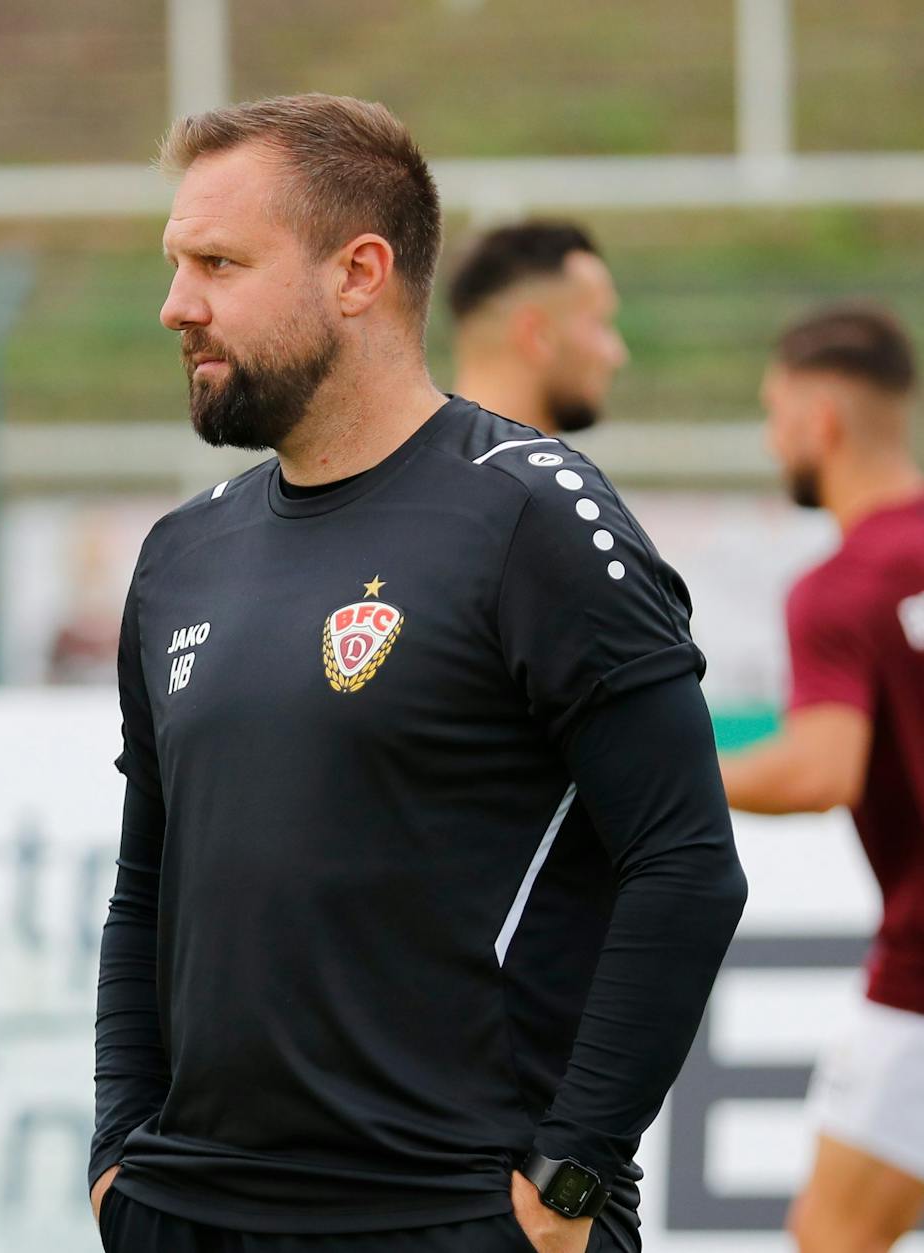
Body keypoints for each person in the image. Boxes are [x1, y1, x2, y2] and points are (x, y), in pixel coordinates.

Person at [90, 94, 747, 1253]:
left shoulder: (533, 514)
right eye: (174, 262)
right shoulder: (181, 554)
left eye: (217, 263)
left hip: (447, 1212)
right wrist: (118, 1155)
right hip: (190, 1211)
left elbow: (684, 861)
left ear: (357, 273)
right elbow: (148, 881)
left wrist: (572, 1173)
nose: (173, 305)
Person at [721, 303, 924, 1253]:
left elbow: (818, 767)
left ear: (821, 419)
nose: (772, 439)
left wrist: (665, 777)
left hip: (921, 970)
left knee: (835, 1235)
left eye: (775, 412)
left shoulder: (843, 587)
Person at [448, 221, 628, 435]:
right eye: (599, 323)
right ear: (537, 335)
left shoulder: (416, 461)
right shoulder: (534, 467)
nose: (617, 355)